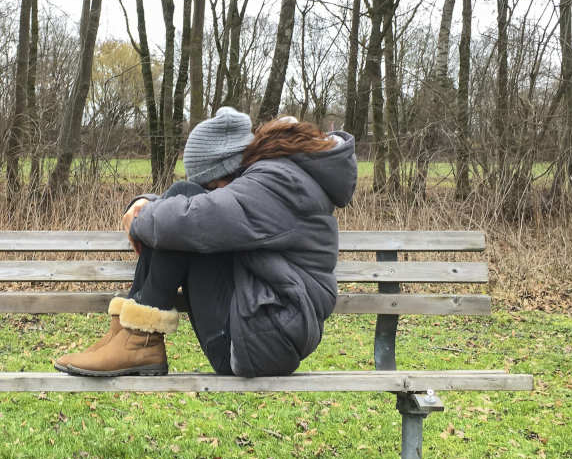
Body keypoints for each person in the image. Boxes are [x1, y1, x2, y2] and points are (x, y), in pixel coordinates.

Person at [53, 107, 357, 378]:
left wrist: (143, 217)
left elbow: (195, 218)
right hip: (264, 329)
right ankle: (127, 336)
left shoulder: (279, 183)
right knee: (183, 204)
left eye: (210, 186)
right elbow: (201, 211)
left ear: (229, 170)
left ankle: (137, 340)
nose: (211, 192)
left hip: (260, 341)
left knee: (185, 211)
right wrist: (146, 204)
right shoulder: (285, 175)